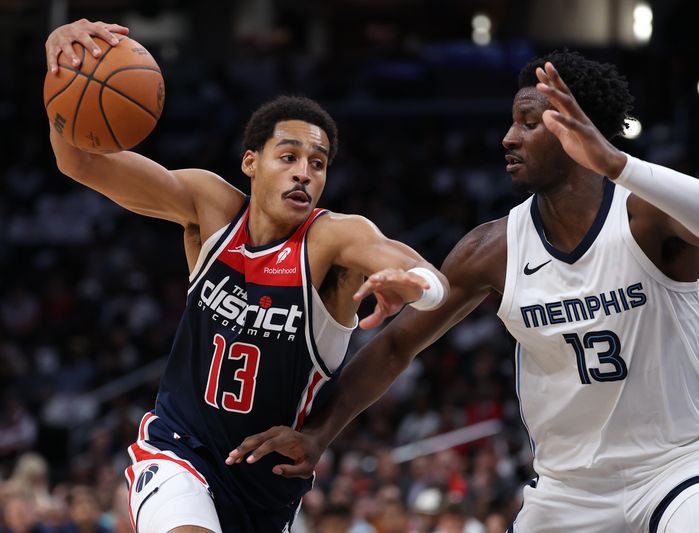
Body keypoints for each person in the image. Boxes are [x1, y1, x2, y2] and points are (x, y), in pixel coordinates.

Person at [228, 50, 699, 532]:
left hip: (684, 464)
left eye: (529, 123)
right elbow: (397, 345)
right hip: (570, 491)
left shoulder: (645, 216)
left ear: (578, 132)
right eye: (512, 122)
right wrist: (319, 434)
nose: (508, 138)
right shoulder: (495, 248)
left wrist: (617, 163)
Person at [45, 19, 449, 533]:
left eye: (319, 163)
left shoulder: (331, 240)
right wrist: (60, 74)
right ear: (251, 162)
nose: (305, 171)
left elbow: (423, 272)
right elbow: (81, 163)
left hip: (267, 484)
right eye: (290, 157)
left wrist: (419, 285)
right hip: (176, 449)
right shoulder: (209, 207)